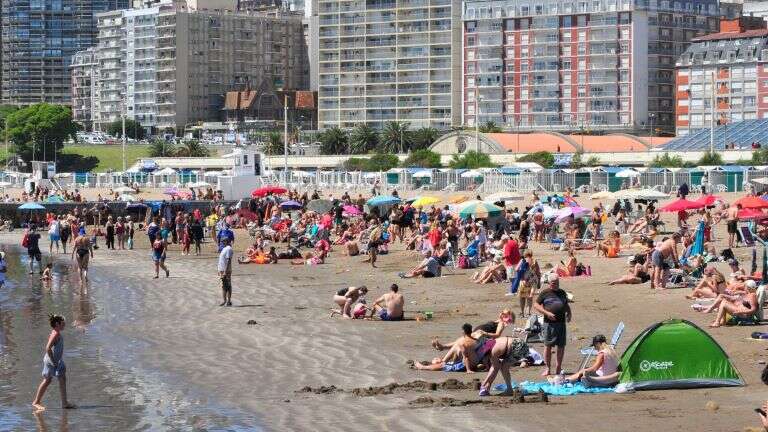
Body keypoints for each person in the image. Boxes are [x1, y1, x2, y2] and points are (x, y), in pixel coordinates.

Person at [32, 314, 76, 412]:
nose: (64, 325)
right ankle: (36, 402)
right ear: (57, 324)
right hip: (52, 361)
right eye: (63, 323)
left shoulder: (55, 332)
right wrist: (53, 362)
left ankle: (64, 403)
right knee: (49, 380)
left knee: (61, 378)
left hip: (55, 361)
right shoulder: (55, 333)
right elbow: (48, 348)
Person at [533, 274, 571, 376]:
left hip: (561, 323)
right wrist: (547, 313)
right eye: (553, 283)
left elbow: (566, 304)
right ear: (549, 283)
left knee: (561, 346)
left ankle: (558, 367)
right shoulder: (545, 293)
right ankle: (548, 368)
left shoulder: (562, 292)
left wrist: (569, 313)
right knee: (548, 346)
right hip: (549, 324)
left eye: (557, 282)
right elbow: (536, 305)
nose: (555, 284)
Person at [413, 323, 481, 373]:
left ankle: (422, 367)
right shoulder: (476, 341)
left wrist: (468, 370)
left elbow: (466, 357)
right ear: (471, 331)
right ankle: (441, 359)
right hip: (474, 363)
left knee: (443, 366)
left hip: (464, 366)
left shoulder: (462, 343)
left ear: (463, 332)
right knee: (446, 362)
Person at [517, 250, 541, 317]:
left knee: (522, 298)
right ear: (531, 254)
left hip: (524, 281)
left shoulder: (522, 261)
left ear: (524, 254)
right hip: (533, 281)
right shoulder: (534, 261)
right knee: (529, 298)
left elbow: (516, 269)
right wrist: (538, 282)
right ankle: (528, 313)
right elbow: (538, 272)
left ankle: (522, 313)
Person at [218, 237, 233, 306]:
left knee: (227, 285)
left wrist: (225, 272)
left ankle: (228, 301)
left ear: (226, 241)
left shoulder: (229, 249)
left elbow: (228, 260)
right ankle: (225, 300)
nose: (222, 243)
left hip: (226, 270)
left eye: (223, 241)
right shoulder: (224, 249)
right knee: (224, 285)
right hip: (222, 270)